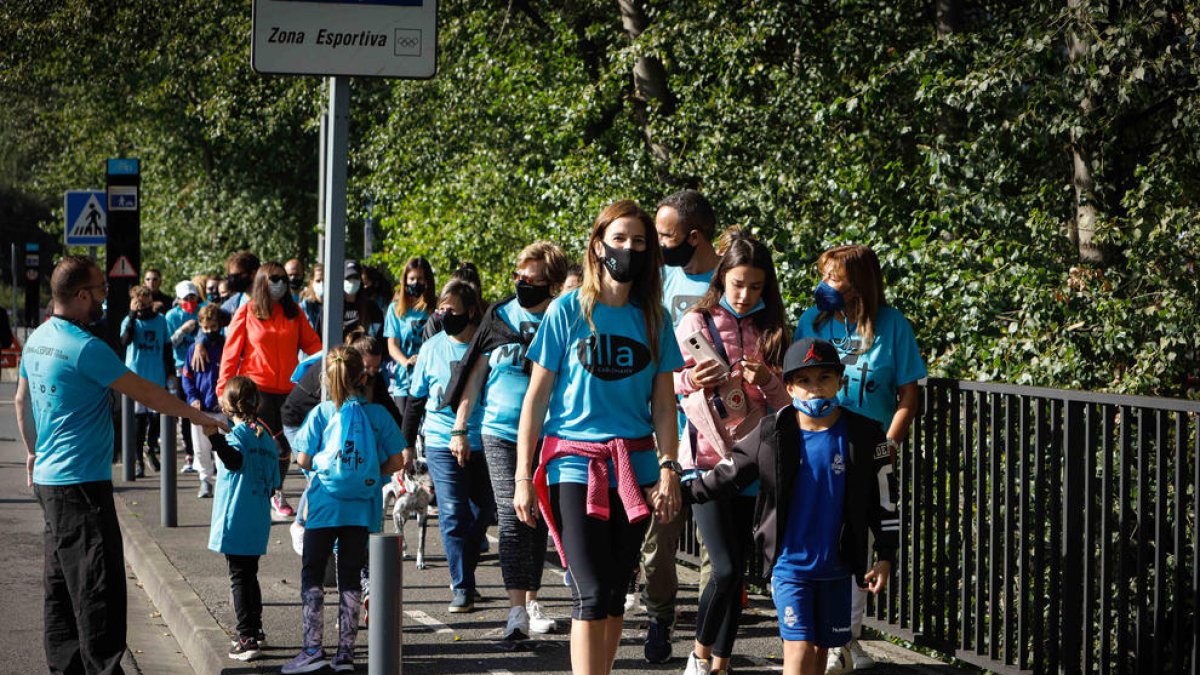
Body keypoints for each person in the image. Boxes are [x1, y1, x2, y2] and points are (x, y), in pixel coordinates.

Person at [14, 255, 224, 675]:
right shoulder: (85, 347)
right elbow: (146, 392)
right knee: (98, 589)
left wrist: (33, 452)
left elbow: (22, 401)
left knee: (61, 586)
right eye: (100, 291)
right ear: (80, 295)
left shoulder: (37, 338)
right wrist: (200, 417)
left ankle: (66, 668)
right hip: (83, 485)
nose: (105, 299)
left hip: (50, 480)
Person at [513, 200, 684, 675]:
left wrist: (669, 468)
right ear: (598, 245)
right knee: (589, 592)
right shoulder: (568, 310)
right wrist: (524, 476)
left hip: (636, 468)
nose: (629, 248)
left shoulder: (653, 318)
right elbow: (536, 398)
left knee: (612, 593)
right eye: (620, 239)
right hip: (575, 463)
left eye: (640, 241)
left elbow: (665, 405)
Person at [688, 338, 899, 675]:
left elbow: (884, 499)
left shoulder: (864, 434)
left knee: (818, 653)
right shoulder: (772, 432)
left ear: (840, 382)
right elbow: (728, 475)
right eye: (804, 381)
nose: (815, 389)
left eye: (824, 379)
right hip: (790, 567)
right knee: (799, 651)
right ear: (788, 386)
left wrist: (886, 555)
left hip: (837, 568)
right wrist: (678, 492)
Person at [791, 245, 926, 673]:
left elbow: (908, 395)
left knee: (857, 543)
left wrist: (887, 447)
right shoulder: (813, 322)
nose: (825, 285)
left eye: (836, 278)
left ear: (860, 283)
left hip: (867, 448)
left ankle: (844, 639)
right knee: (817, 536)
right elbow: (795, 381)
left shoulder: (892, 325)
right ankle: (823, 632)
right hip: (816, 444)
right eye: (825, 275)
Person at [675, 230, 791, 675]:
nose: (745, 295)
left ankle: (718, 664)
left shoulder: (775, 330)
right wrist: (692, 381)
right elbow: (668, 388)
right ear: (722, 277)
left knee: (737, 574)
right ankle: (699, 654)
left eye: (756, 286)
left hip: (757, 463)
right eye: (738, 283)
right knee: (723, 569)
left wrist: (768, 381)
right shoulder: (694, 323)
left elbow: (787, 409)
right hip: (707, 464)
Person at [445, 241, 568, 639]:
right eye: (518, 277)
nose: (521, 284)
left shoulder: (563, 317)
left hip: (549, 433)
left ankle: (531, 600)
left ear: (551, 284)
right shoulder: (498, 315)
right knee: (514, 514)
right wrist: (461, 425)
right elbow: (474, 374)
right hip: (499, 430)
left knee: (540, 520)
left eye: (531, 280)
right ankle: (516, 612)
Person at [284, 346, 405, 674]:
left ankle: (312, 649)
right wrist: (367, 471)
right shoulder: (378, 415)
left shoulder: (322, 413)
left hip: (323, 508)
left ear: (329, 378)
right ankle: (346, 656)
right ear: (362, 376)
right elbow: (397, 460)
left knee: (312, 574)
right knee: (351, 576)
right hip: (362, 510)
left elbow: (303, 458)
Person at [643, 188, 722, 663]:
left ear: (694, 236)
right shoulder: (659, 279)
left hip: (718, 431)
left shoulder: (733, 279)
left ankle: (710, 639)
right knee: (659, 534)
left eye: (665, 236)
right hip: (667, 425)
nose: (658, 244)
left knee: (717, 544)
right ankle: (659, 617)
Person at [401, 279, 495, 613]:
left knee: (485, 510)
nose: (443, 315)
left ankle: (465, 570)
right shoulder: (431, 348)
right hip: (441, 441)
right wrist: (408, 444)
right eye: (440, 309)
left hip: (484, 440)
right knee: (453, 512)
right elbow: (415, 399)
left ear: (470, 311)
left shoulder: (487, 346)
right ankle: (462, 587)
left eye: (450, 309)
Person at [218, 261, 323, 521]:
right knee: (262, 442)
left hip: (288, 390)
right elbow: (230, 354)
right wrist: (223, 390)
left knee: (285, 447)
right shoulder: (247, 312)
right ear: (262, 282)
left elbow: (316, 347)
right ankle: (259, 491)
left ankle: (277, 491)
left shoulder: (294, 313)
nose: (279, 283)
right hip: (256, 389)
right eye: (274, 278)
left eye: (283, 279)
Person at [203, 376, 278, 661]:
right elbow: (275, 479)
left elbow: (233, 460)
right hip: (257, 517)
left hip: (236, 516)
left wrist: (212, 437)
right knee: (250, 575)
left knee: (239, 578)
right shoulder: (264, 435)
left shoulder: (238, 436)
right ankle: (256, 630)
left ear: (229, 404)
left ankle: (246, 637)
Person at [122, 285, 172, 477]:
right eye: (139, 301)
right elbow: (125, 341)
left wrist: (170, 374)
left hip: (156, 376)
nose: (143, 305)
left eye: (145, 300)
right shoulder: (129, 320)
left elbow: (167, 347)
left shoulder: (160, 321)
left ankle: (150, 448)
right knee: (138, 421)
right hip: (136, 377)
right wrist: (133, 316)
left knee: (156, 419)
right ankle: (138, 461)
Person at [183, 303, 225, 498]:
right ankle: (205, 480)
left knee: (223, 448)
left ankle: (224, 482)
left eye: (213, 327)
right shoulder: (193, 349)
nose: (209, 332)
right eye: (205, 328)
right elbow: (187, 377)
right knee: (201, 448)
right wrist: (192, 398)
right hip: (201, 407)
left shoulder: (226, 346)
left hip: (223, 408)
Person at [384, 257, 435, 414]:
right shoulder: (395, 309)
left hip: (430, 380)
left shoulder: (435, 307)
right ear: (405, 281)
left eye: (420, 278)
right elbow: (392, 345)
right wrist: (406, 362)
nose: (416, 283)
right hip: (404, 383)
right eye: (412, 278)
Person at [166, 280, 202, 472]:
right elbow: (168, 342)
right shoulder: (172, 316)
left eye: (192, 297)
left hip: (203, 368)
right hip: (182, 368)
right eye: (186, 298)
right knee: (186, 412)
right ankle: (190, 452)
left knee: (204, 409)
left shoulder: (203, 310)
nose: (190, 301)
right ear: (178, 299)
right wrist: (183, 330)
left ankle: (206, 453)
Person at [340, 260, 384, 338]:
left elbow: (378, 337)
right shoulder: (333, 308)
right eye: (348, 278)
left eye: (355, 278)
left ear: (361, 280)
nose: (352, 281)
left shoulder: (372, 308)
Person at [220, 251, 260, 325]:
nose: (232, 280)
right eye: (230, 276)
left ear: (253, 274)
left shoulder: (272, 301)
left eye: (236, 276)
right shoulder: (229, 307)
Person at [299, 264, 324, 336]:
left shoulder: (335, 305)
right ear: (311, 282)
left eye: (324, 280)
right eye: (318, 281)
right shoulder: (305, 306)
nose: (322, 284)